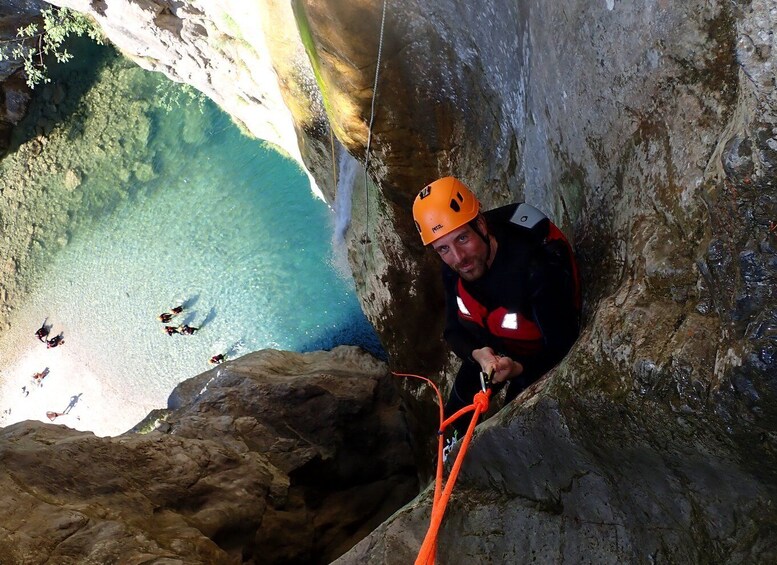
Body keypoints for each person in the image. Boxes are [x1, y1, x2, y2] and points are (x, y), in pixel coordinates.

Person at [412, 176, 581, 442]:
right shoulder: (453, 268)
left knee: (517, 433)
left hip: (538, 358)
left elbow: (563, 344)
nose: (458, 258)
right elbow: (454, 330)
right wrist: (478, 354)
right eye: (443, 248)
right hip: (491, 352)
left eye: (463, 239)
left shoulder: (536, 268)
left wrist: (518, 368)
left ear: (480, 224)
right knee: (454, 417)